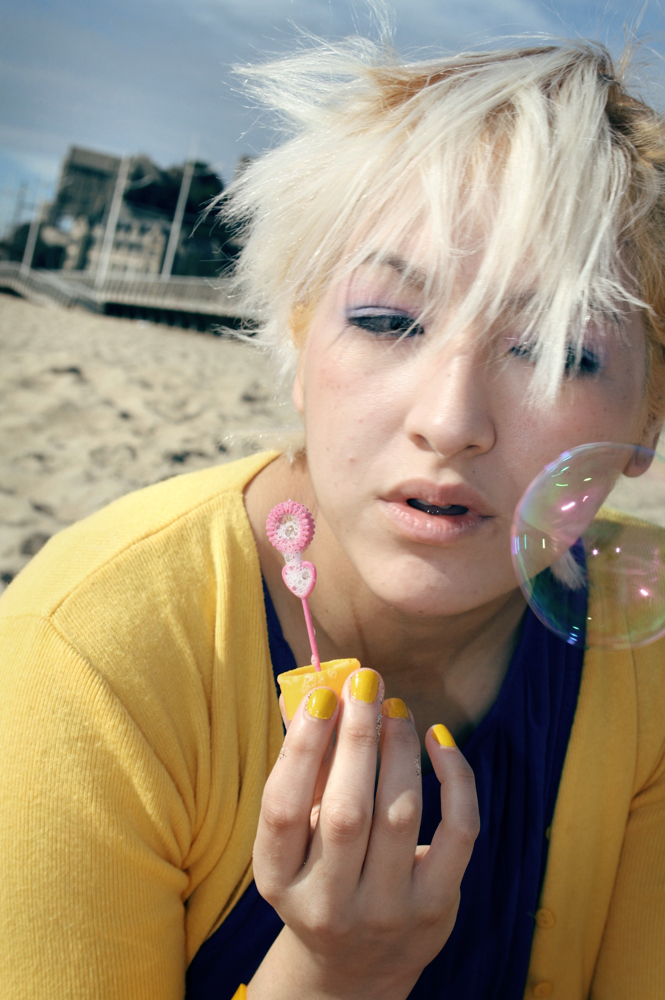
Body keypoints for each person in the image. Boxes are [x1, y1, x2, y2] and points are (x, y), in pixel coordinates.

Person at [1, 24, 665, 1000]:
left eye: (562, 349)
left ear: (648, 419)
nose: (448, 422)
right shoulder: (96, 654)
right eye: (387, 319)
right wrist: (336, 971)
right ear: (296, 335)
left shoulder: (646, 664)